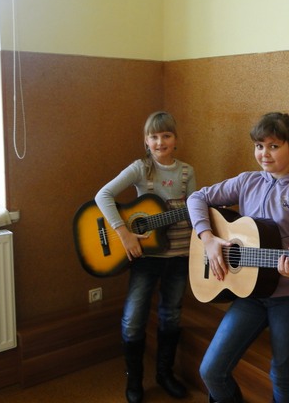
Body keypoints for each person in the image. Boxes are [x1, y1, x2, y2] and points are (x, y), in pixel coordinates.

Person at [187, 112, 289, 403]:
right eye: (259, 146)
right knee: (211, 371)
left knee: (283, 376)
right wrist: (208, 239)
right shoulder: (247, 181)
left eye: (273, 146)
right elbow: (196, 198)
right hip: (251, 295)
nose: (264, 153)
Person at [95, 111, 196, 403]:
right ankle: (135, 380)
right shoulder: (141, 168)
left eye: (166, 135)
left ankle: (165, 374)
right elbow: (103, 195)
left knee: (171, 315)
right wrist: (124, 233)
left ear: (175, 139)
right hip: (145, 257)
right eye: (154, 136)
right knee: (133, 319)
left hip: (179, 255)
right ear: (146, 141)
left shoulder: (187, 171)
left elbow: (195, 210)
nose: (160, 141)